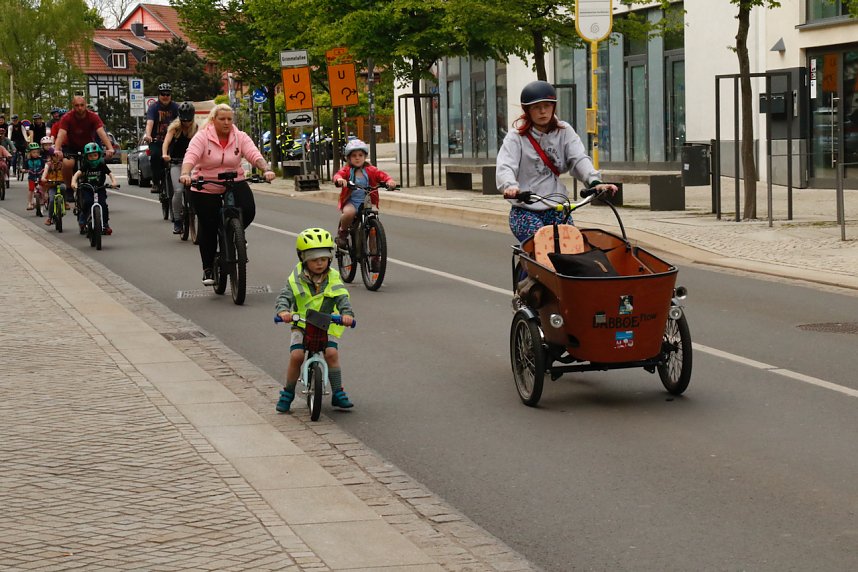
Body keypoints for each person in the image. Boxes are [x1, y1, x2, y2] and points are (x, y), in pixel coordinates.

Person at [496, 80, 617, 243]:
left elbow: (578, 158)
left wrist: (595, 182)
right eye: (536, 107)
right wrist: (510, 185)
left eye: (547, 105)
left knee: (573, 247)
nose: (542, 111)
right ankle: (529, 269)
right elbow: (506, 165)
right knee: (541, 248)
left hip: (556, 207)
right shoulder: (516, 137)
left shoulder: (564, 131)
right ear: (527, 111)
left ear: (553, 106)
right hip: (525, 209)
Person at [179, 103, 275, 285]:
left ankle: (234, 235)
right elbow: (191, 156)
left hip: (234, 181)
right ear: (213, 120)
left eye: (229, 119)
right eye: (222, 119)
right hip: (206, 184)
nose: (226, 122)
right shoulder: (202, 137)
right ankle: (208, 269)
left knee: (248, 208)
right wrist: (185, 174)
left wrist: (266, 169)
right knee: (207, 226)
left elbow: (254, 154)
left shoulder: (240, 137)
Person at [274, 228, 356, 413]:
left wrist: (347, 314)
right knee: (296, 356)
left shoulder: (333, 277)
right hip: (302, 324)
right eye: (314, 259)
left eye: (323, 259)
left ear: (330, 258)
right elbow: (285, 296)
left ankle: (338, 393)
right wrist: (283, 311)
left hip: (328, 323)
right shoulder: (296, 277)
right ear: (303, 259)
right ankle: (287, 393)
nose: (319, 263)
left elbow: (342, 297)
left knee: (332, 354)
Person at [332, 138, 396, 247]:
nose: (357, 158)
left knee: (373, 229)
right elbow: (338, 175)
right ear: (348, 158)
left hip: (367, 202)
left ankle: (375, 256)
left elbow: (382, 175)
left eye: (360, 155)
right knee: (349, 213)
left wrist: (389, 181)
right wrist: (339, 180)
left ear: (365, 157)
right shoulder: (347, 170)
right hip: (352, 202)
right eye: (354, 156)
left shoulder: (370, 170)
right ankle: (342, 232)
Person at [54, 96, 115, 191]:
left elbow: (101, 132)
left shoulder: (93, 116)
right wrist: (57, 149)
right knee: (67, 164)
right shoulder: (67, 117)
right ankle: (69, 188)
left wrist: (109, 148)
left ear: (85, 105)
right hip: (71, 146)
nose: (80, 108)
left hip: (88, 146)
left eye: (82, 105)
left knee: (99, 163)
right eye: (77, 105)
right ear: (73, 106)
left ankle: (98, 187)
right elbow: (61, 134)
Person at [161, 101, 198, 234]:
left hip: (192, 163)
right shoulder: (174, 128)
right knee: (178, 190)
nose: (187, 123)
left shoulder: (197, 128)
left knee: (197, 188)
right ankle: (177, 220)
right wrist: (165, 154)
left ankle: (196, 214)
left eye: (189, 120)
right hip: (176, 163)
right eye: (184, 120)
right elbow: (166, 142)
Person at [71, 142, 116, 235]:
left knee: (103, 204)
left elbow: (110, 173)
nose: (93, 158)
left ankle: (105, 225)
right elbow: (77, 173)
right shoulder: (86, 165)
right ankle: (83, 219)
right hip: (87, 188)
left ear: (99, 155)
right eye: (90, 156)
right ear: (86, 157)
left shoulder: (101, 164)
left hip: (99, 188)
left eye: (95, 155)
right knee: (87, 202)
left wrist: (114, 182)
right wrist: (73, 182)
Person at [143, 83, 179, 194]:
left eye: (168, 94)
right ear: (159, 95)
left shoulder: (175, 107)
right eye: (163, 94)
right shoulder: (153, 107)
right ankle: (155, 182)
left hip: (172, 141)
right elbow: (150, 122)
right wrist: (148, 135)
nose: (165, 96)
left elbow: (182, 122)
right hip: (156, 140)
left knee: (177, 158)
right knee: (155, 156)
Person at [40, 148, 65, 226]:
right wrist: (43, 178)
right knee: (51, 200)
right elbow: (45, 172)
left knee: (63, 188)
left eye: (58, 156)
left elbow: (67, 173)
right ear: (51, 156)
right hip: (51, 184)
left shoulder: (62, 164)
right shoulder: (48, 165)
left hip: (60, 183)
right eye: (54, 156)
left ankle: (65, 203)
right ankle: (49, 218)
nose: (56, 158)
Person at [23, 142, 46, 210]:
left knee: (42, 187)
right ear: (29, 153)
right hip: (32, 177)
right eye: (34, 152)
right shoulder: (27, 161)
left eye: (37, 152)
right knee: (31, 190)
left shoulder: (40, 160)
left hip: (40, 176)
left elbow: (45, 167)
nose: (36, 154)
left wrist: (45, 169)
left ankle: (43, 198)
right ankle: (30, 203)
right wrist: (24, 170)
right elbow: (25, 168)